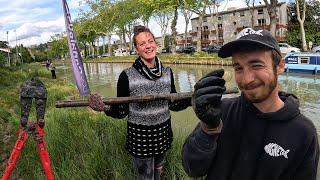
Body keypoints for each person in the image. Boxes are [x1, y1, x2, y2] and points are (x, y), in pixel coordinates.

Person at [182, 28, 319, 180]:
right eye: (238, 68)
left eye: (257, 65)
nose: (246, 79)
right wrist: (208, 129)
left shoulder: (304, 133)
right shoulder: (222, 112)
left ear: (279, 66)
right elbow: (192, 169)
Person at [88, 25, 191, 180]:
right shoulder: (126, 76)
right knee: (146, 177)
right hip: (141, 139)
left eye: (150, 41)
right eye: (142, 44)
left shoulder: (168, 72)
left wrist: (194, 99)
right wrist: (104, 107)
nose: (148, 46)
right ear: (136, 48)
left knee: (158, 172)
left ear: (156, 44)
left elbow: (174, 103)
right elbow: (121, 111)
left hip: (163, 134)